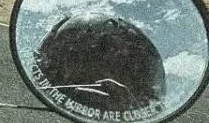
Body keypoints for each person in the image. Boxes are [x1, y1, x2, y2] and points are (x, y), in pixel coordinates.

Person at [36, 12, 166, 113]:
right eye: (75, 54)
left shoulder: (140, 89)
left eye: (99, 55)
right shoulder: (50, 81)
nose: (86, 67)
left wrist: (127, 106)